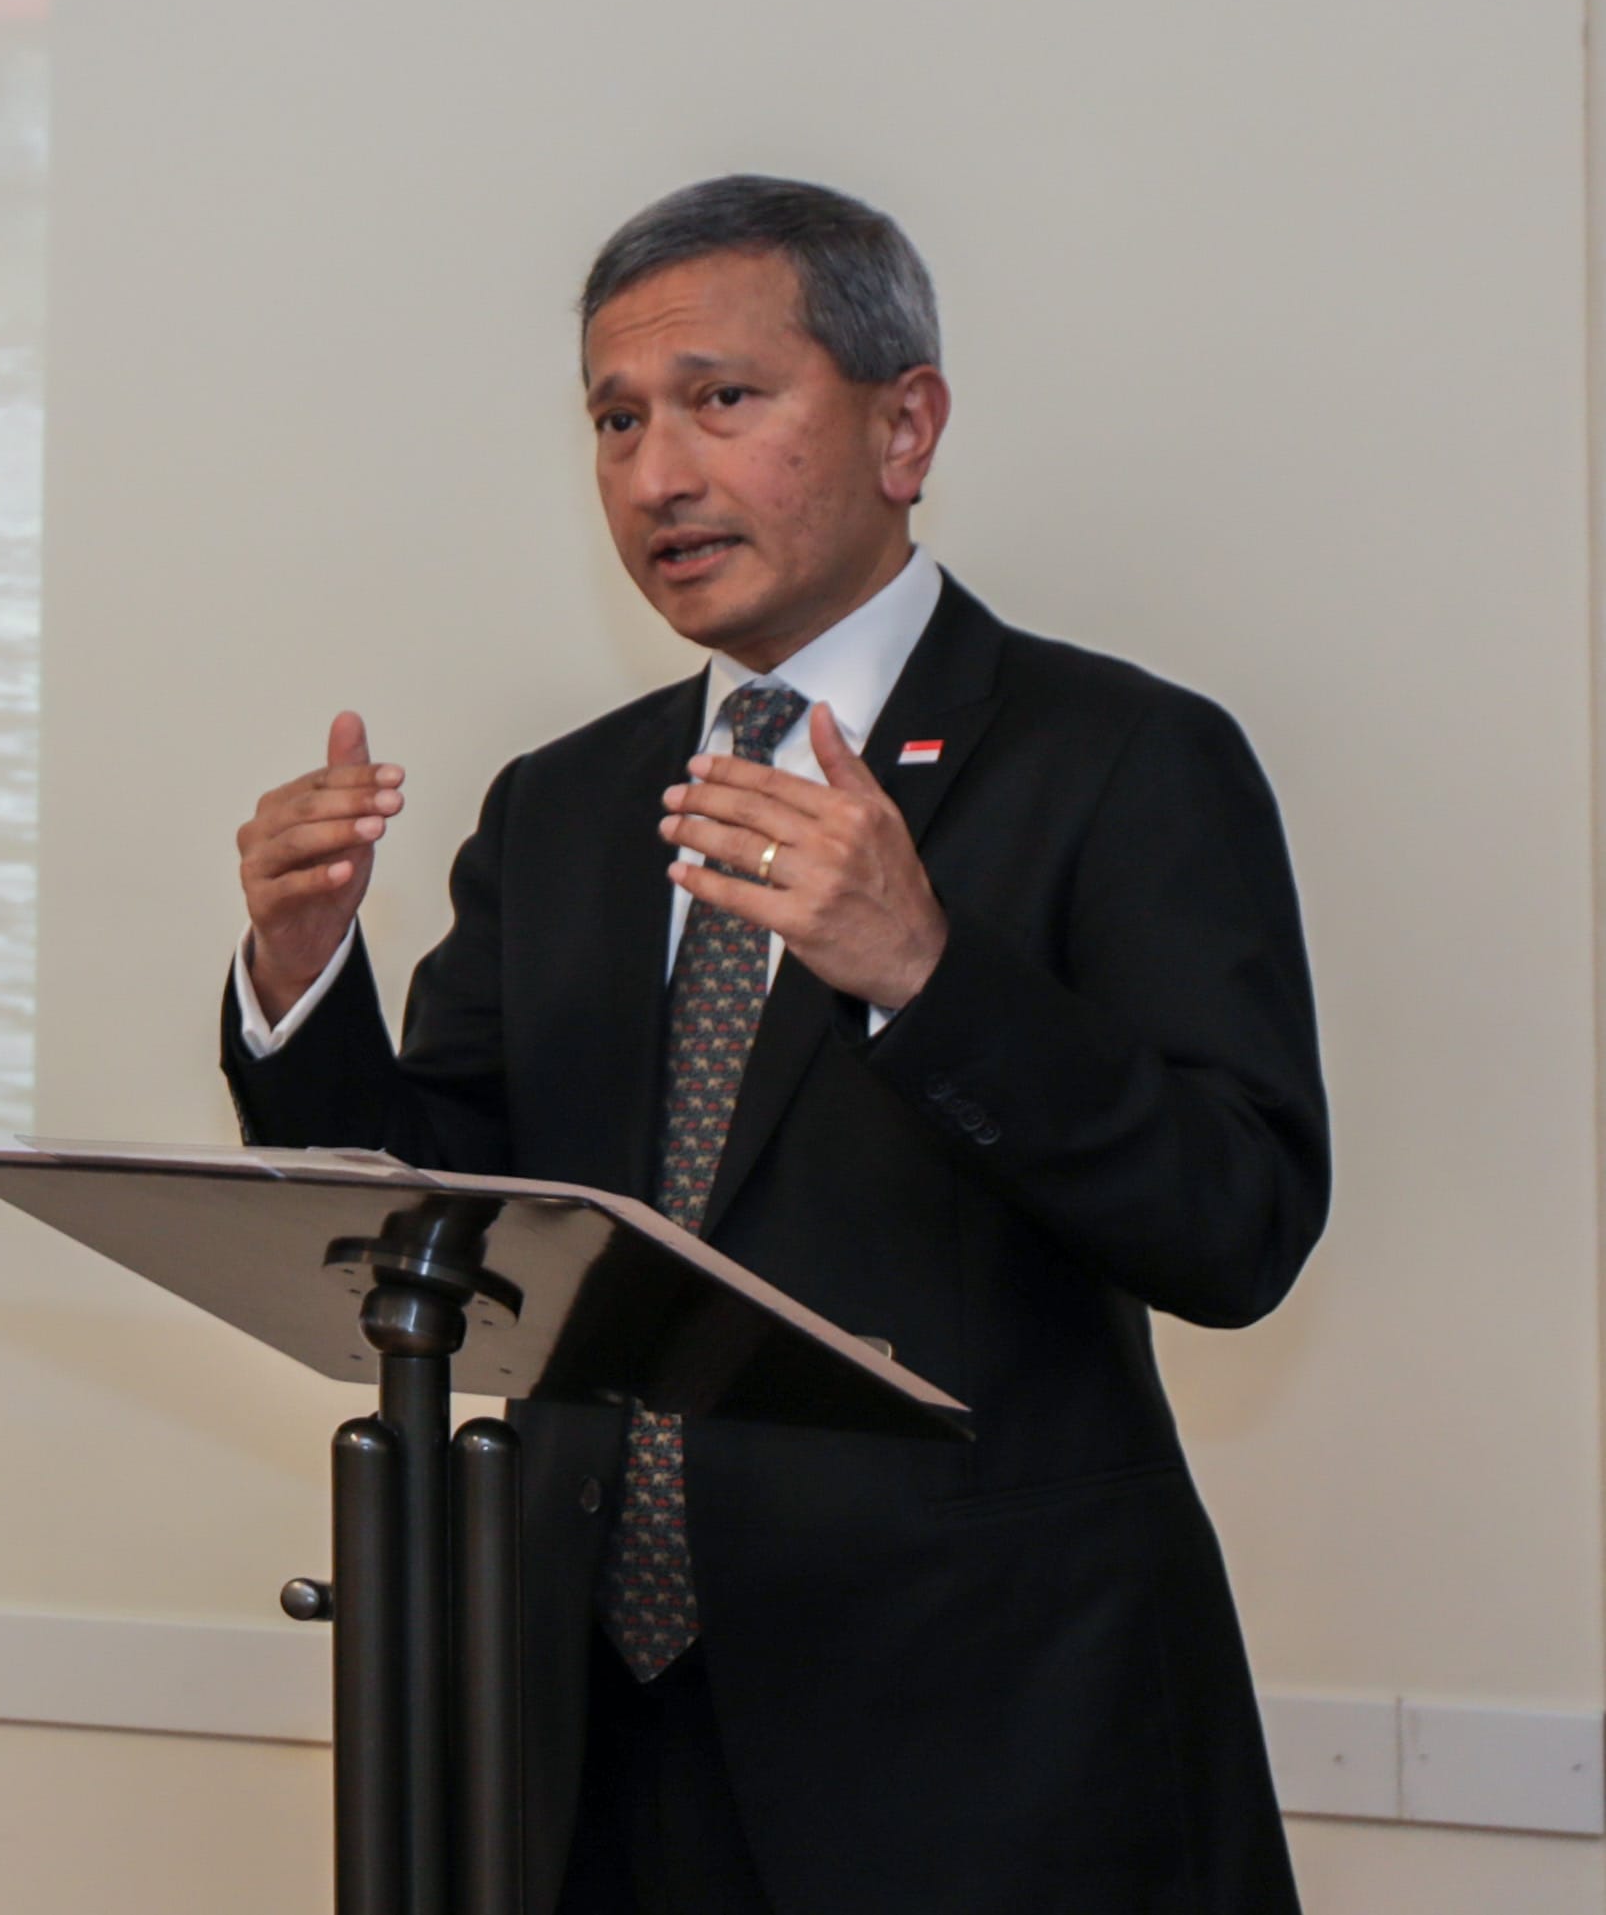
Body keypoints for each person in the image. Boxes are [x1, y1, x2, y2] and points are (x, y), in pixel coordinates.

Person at [222, 176, 1328, 1913]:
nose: (656, 474)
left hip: (982, 1750)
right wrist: (299, 982)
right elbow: (437, 1202)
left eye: (720, 401)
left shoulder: (1122, 758)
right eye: (614, 419)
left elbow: (1239, 1221)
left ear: (906, 425)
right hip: (588, 1734)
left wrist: (928, 971)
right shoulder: (565, 802)